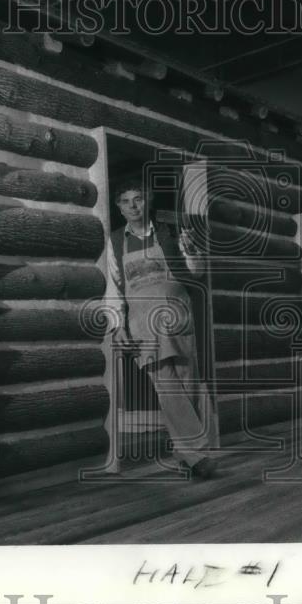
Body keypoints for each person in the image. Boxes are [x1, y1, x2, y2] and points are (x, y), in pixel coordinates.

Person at [104, 178, 220, 478]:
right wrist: (119, 328)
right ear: (118, 207)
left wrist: (194, 251)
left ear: (148, 201)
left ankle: (186, 454)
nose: (133, 206)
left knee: (188, 382)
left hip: (177, 317)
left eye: (138, 199)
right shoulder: (116, 241)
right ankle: (198, 455)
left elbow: (196, 272)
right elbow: (114, 288)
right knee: (166, 386)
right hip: (142, 325)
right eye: (126, 201)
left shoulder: (168, 233)